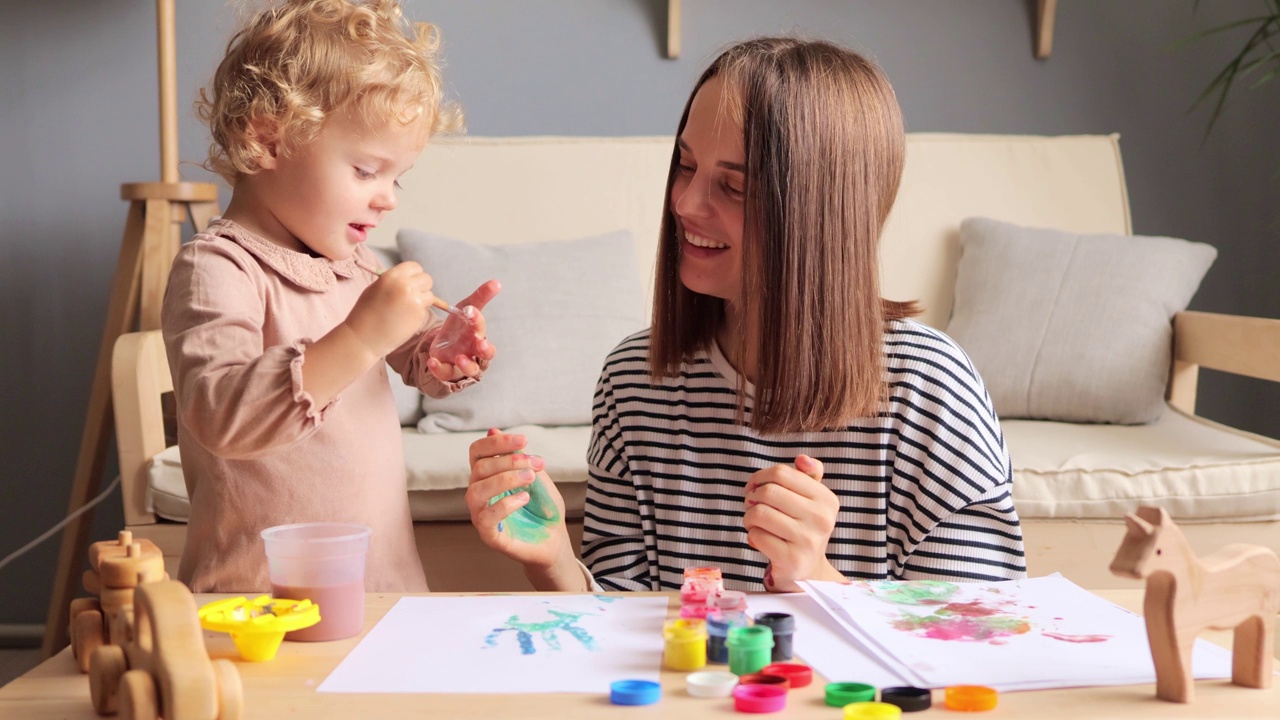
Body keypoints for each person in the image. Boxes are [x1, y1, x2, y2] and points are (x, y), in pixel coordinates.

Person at [465, 36, 1025, 592]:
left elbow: (978, 637)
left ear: (821, 212)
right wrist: (554, 562)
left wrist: (820, 579)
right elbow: (619, 622)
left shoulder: (931, 387)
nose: (684, 204)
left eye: (733, 186)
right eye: (685, 166)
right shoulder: (634, 379)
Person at [162, 0, 498, 593]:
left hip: (381, 589)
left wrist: (434, 353)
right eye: (367, 170)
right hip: (259, 604)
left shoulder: (351, 266)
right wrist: (365, 332)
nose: (388, 198)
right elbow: (222, 417)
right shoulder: (216, 267)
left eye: (397, 178)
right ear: (268, 140)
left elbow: (395, 359)